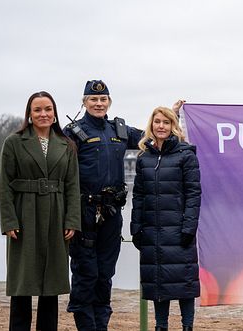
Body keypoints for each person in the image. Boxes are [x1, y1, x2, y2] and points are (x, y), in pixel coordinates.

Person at [63, 79, 183, 330]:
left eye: (103, 99)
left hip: (111, 214)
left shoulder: (119, 130)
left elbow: (154, 137)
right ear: (84, 102)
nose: (98, 103)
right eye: (93, 99)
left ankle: (101, 326)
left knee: (105, 274)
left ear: (109, 102)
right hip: (83, 213)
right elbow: (62, 175)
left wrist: (174, 115)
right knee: (86, 274)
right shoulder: (72, 133)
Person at [0, 91, 81, 331]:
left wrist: (72, 220)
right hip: (24, 215)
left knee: (51, 284)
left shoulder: (66, 145)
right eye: (38, 110)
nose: (43, 114)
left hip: (56, 216)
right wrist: (9, 221)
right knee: (22, 283)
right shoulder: (14, 142)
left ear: (54, 114)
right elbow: (5, 186)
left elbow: (72, 186)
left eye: (48, 109)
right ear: (30, 114)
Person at [131, 107, 201, 331]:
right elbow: (139, 195)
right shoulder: (144, 158)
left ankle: (187, 326)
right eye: (157, 122)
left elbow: (193, 194)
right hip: (152, 231)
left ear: (174, 126)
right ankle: (161, 327)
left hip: (179, 231)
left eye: (166, 122)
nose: (161, 126)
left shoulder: (186, 155)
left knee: (184, 283)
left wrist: (189, 227)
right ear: (151, 125)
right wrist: (136, 227)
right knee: (158, 284)